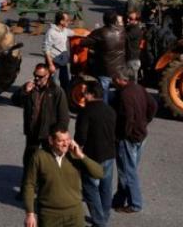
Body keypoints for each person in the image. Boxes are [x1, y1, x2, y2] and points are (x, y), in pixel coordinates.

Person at [22, 126, 104, 227]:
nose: (65, 144)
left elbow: (99, 173)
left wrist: (81, 156)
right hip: (49, 215)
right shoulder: (39, 157)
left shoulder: (74, 155)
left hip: (75, 214)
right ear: (51, 140)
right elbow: (29, 185)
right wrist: (30, 213)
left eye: (68, 140)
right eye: (61, 141)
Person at [12, 63, 70, 199]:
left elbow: (63, 116)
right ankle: (25, 192)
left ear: (48, 75)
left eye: (40, 77)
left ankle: (48, 193)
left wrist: (58, 135)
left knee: (49, 165)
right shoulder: (30, 87)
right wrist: (24, 91)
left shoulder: (56, 91)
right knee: (29, 162)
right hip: (32, 133)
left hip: (48, 135)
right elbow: (14, 100)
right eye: (35, 76)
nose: (37, 79)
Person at [111, 66, 157, 214]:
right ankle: (119, 199)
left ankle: (135, 203)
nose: (113, 81)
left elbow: (127, 118)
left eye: (114, 78)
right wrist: (145, 121)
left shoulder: (125, 95)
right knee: (129, 169)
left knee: (128, 171)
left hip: (129, 138)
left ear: (121, 79)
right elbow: (153, 105)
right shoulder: (139, 88)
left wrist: (122, 135)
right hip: (141, 134)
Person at [74, 80, 116, 227]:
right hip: (109, 154)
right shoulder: (110, 110)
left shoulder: (86, 112)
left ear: (91, 94)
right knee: (106, 187)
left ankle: (99, 221)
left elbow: (81, 137)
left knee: (90, 188)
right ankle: (104, 215)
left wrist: (76, 154)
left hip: (92, 156)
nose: (83, 94)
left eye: (85, 91)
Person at [81, 10, 126, 103]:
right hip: (119, 68)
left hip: (105, 69)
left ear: (104, 20)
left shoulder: (101, 32)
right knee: (120, 92)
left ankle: (104, 112)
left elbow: (84, 42)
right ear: (115, 20)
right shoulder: (122, 31)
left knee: (104, 92)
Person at [42, 12, 74, 90]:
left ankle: (64, 99)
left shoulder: (65, 30)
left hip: (62, 60)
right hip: (54, 61)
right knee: (54, 83)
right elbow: (46, 49)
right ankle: (51, 99)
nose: (69, 22)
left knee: (65, 81)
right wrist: (50, 65)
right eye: (67, 20)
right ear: (61, 21)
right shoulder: (51, 32)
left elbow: (75, 32)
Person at [125, 10, 143, 83]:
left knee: (132, 83)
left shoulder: (135, 30)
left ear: (137, 21)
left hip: (133, 60)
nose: (128, 20)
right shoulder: (130, 28)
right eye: (128, 18)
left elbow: (124, 37)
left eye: (130, 18)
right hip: (130, 59)